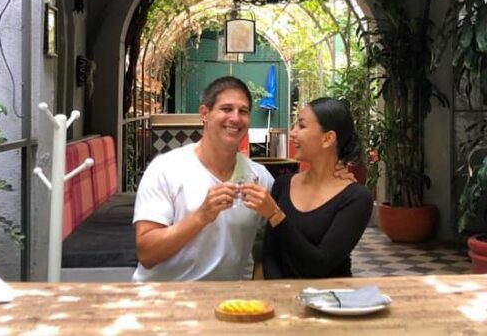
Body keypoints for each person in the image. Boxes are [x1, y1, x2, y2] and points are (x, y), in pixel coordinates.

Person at [132, 76, 276, 281]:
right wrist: (201, 216)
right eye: (226, 109)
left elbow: (282, 238)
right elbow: (147, 253)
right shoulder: (166, 169)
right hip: (165, 300)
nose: (235, 118)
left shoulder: (260, 178)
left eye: (243, 111)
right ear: (204, 114)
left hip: (230, 304)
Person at [260, 97, 373, 279]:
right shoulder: (282, 184)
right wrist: (279, 294)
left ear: (327, 138)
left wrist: (276, 215)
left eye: (302, 126)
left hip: (330, 302)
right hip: (281, 300)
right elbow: (270, 255)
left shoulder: (356, 198)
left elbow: (319, 265)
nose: (292, 133)